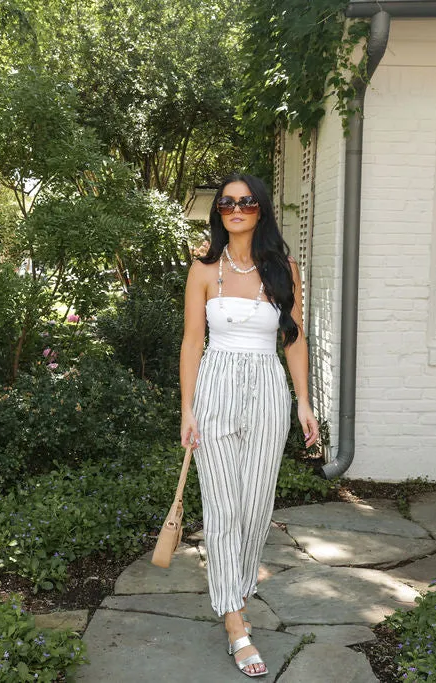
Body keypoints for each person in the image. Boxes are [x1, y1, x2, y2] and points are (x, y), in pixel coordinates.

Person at [179, 172, 319, 677]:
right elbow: (192, 343)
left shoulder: (285, 270)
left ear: (261, 210)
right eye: (227, 202)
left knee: (256, 506)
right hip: (215, 387)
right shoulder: (202, 270)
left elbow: (295, 340)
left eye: (247, 201)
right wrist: (187, 410)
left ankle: (236, 589)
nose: (236, 208)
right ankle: (235, 621)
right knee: (220, 507)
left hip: (267, 390)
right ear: (218, 211)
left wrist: (304, 402)